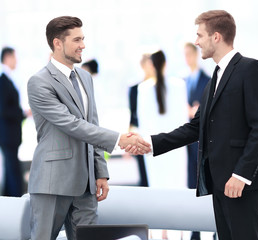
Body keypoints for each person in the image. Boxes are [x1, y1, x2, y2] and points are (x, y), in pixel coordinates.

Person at [126, 10, 258, 240]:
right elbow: (195, 128)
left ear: (216, 37)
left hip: (241, 184)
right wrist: (151, 143)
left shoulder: (251, 69)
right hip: (220, 183)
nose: (196, 42)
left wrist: (242, 175)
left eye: (200, 35)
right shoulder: (214, 78)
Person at [27, 16, 150, 240]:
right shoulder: (39, 82)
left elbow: (92, 124)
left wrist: (100, 171)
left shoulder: (85, 77)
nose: (83, 45)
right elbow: (71, 124)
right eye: (76, 40)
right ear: (57, 43)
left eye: (83, 39)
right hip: (52, 183)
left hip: (86, 185)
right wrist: (119, 140)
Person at [137, 50, 187, 239]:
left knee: (158, 192)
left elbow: (143, 124)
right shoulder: (179, 85)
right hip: (176, 148)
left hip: (153, 149)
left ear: (151, 64)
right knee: (177, 191)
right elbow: (184, 121)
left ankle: (160, 234)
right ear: (165, 63)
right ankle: (179, 234)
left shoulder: (143, 89)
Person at [183, 42, 210, 240]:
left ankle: (206, 229)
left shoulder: (208, 80)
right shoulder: (183, 81)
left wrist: (197, 110)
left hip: (202, 141)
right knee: (190, 185)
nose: (186, 58)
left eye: (189, 54)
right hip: (187, 142)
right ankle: (194, 231)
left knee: (203, 185)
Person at [0, 47, 25, 197]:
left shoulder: (8, 79)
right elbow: (2, 110)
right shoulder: (3, 81)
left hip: (10, 136)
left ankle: (11, 206)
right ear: (7, 57)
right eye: (15, 57)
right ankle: (16, 204)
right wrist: (21, 113)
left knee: (11, 172)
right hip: (7, 136)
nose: (16, 61)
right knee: (13, 171)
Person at [128, 53, 154, 187]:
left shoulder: (160, 88)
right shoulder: (134, 89)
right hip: (141, 136)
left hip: (156, 135)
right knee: (144, 176)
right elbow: (133, 117)